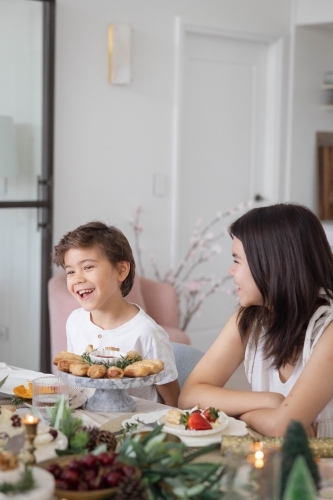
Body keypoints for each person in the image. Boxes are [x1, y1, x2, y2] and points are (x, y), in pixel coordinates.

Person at [179, 203, 333, 437]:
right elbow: (189, 396)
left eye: (237, 260)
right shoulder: (249, 318)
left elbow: (285, 427)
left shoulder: (328, 331)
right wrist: (270, 401)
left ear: (272, 265)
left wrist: (240, 416)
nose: (231, 271)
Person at [53, 221, 179, 406]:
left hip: (135, 427)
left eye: (88, 267)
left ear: (121, 270)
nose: (78, 279)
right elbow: (74, 380)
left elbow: (173, 401)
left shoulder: (146, 332)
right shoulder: (75, 321)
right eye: (70, 271)